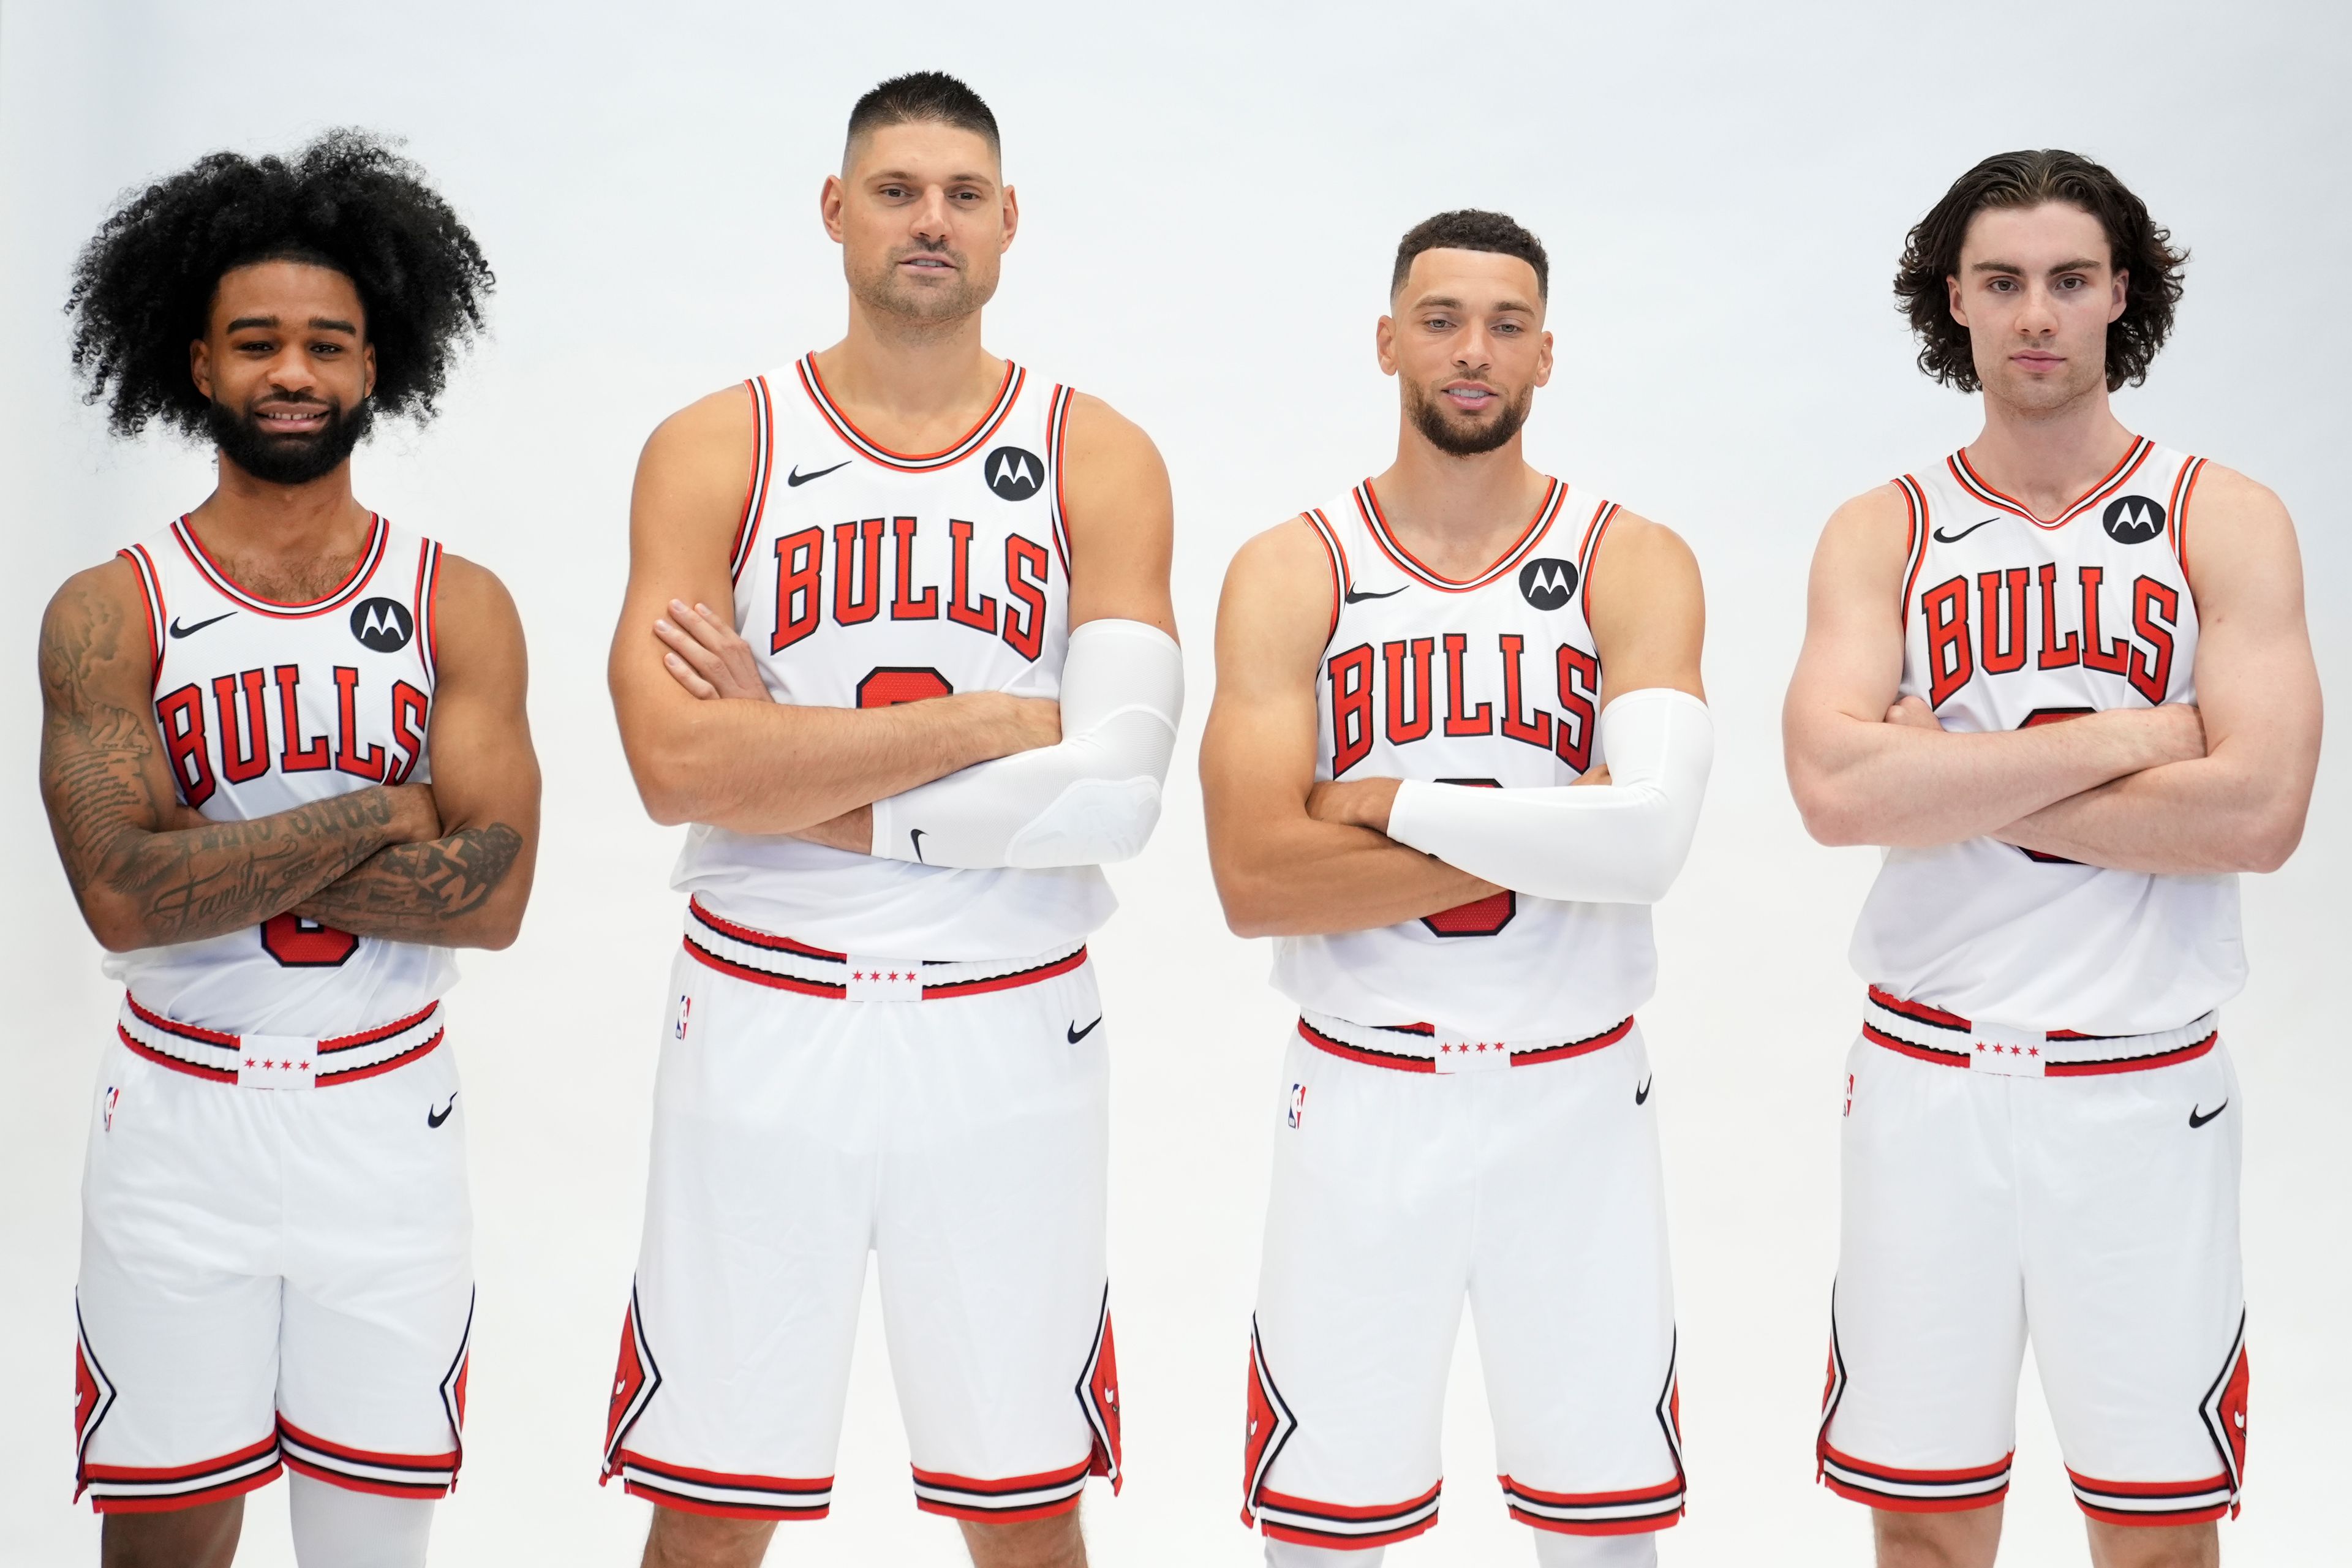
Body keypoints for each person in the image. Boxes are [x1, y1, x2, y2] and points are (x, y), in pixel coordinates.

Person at [602, 71, 1181, 1568]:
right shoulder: (714, 443)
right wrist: (998, 722)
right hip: (761, 1010)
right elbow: (674, 770)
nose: (931, 220)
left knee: (1024, 1504)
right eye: (898, 189)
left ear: (1008, 226)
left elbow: (1114, 790)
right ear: (835, 210)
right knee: (713, 1501)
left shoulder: (1093, 451)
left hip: (1008, 1024)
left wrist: (786, 757)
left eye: (963, 194)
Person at [1785, 149, 2321, 1568]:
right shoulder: (1884, 527)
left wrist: (1943, 773)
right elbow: (1835, 792)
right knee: (1927, 1518)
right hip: (1926, 1077)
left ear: (2119, 297)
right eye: (2005, 281)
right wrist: (2145, 736)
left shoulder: (2223, 513)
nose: (2037, 313)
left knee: (2154, 1531)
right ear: (1952, 299)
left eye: (2069, 280)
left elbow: (2260, 813)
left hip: (2141, 1083)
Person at [41, 130, 540, 1568]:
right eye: (256, 341)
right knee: (164, 1546)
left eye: (329, 343)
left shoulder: (459, 602)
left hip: (385, 1128)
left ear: (379, 366)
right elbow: (124, 899)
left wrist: (216, 841)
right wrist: (383, 808)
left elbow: (495, 895)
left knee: (373, 1546)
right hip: (179, 1126)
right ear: (195, 364)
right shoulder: (108, 608)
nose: (294, 372)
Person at [1200, 209, 1713, 1567]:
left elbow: (1653, 843)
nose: (1470, 351)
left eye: (1503, 324)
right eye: (1439, 320)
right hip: (1366, 1092)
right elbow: (1256, 875)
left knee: (1603, 1537)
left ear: (1547, 354)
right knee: (1324, 1538)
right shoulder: (1294, 565)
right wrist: (1558, 827)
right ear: (1387, 341)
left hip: (1579, 1090)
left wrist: (1391, 802)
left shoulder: (1630, 557)